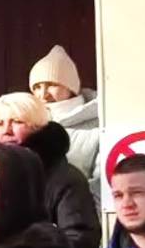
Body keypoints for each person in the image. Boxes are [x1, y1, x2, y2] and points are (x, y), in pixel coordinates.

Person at [0, 93, 101, 248]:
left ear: (37, 126)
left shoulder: (64, 178)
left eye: (17, 122)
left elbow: (80, 239)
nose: (6, 130)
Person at [30, 45, 101, 179]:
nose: (43, 94)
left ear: (71, 88)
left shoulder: (98, 125)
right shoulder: (28, 124)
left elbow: (101, 183)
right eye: (37, 87)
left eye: (52, 85)